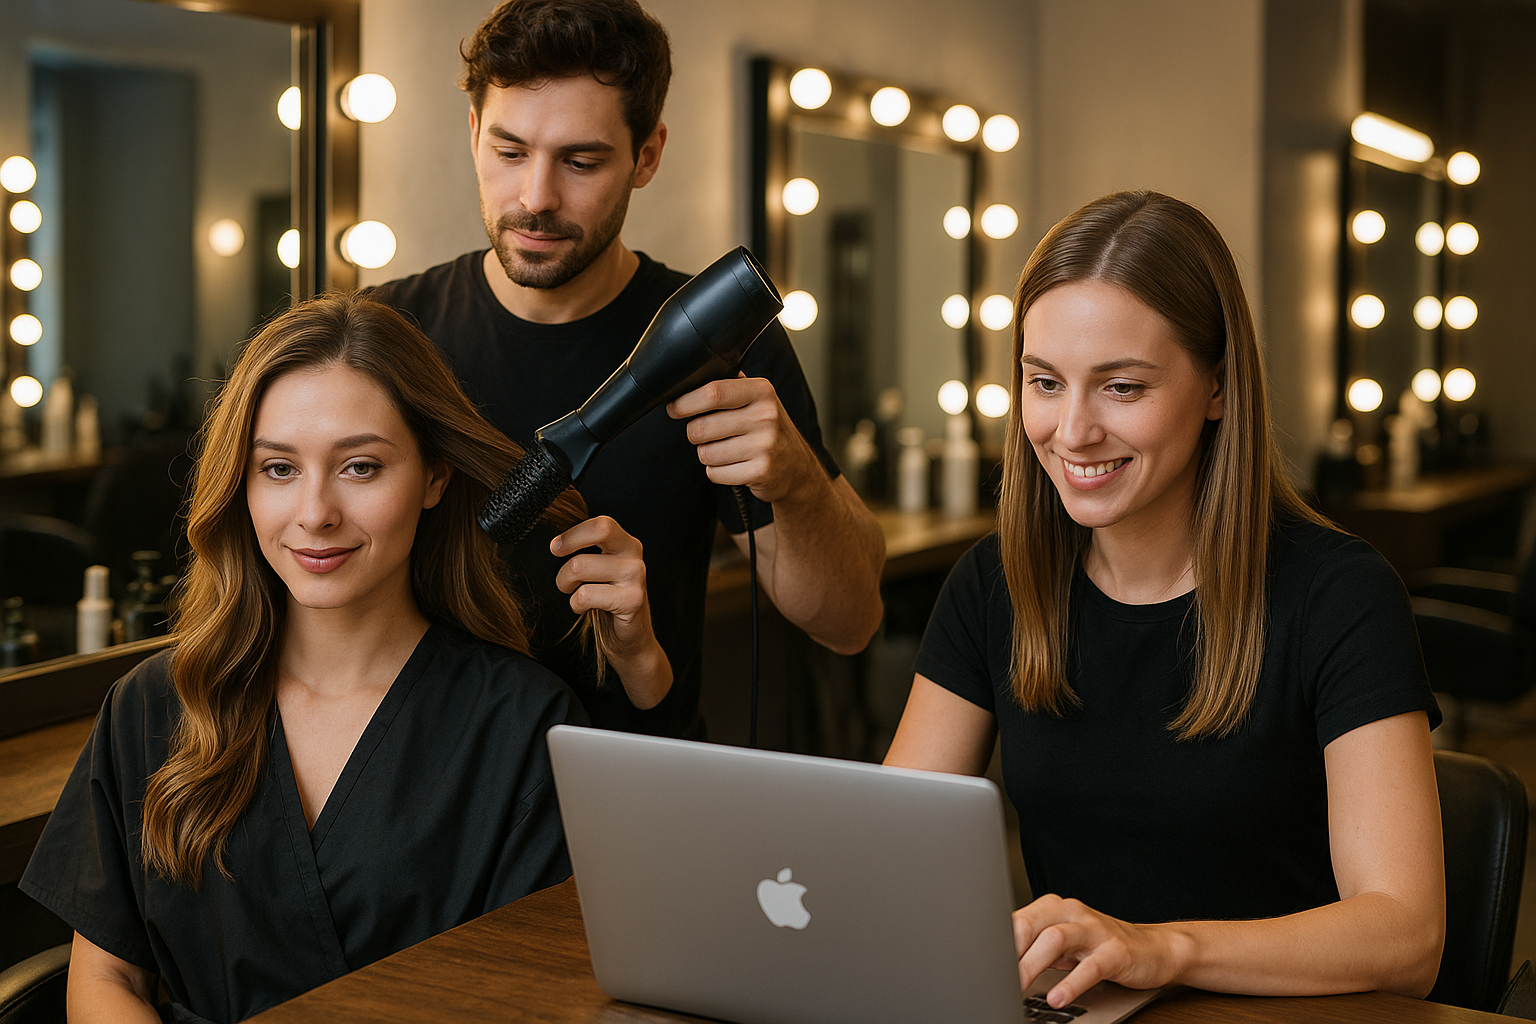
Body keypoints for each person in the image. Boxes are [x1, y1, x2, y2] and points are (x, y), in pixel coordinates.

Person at [884, 191, 1445, 1007]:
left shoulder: (1340, 596)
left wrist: (1160, 950)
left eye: (1122, 389)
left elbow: (1406, 936)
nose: (1072, 432)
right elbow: (888, 848)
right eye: (1045, 382)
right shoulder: (994, 582)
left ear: (1217, 387)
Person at [20, 295, 598, 1023]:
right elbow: (106, 984)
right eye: (279, 469)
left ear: (435, 478)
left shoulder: (521, 726)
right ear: (242, 485)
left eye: (360, 467)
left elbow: (529, 1002)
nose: (316, 512)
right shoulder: (155, 703)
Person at [367, 0, 885, 739]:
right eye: (510, 152)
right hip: (435, 783)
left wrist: (795, 481)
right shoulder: (391, 335)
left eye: (581, 161)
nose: (536, 198)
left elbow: (851, 622)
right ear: (474, 131)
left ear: (647, 155)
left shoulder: (719, 349)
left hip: (635, 782)